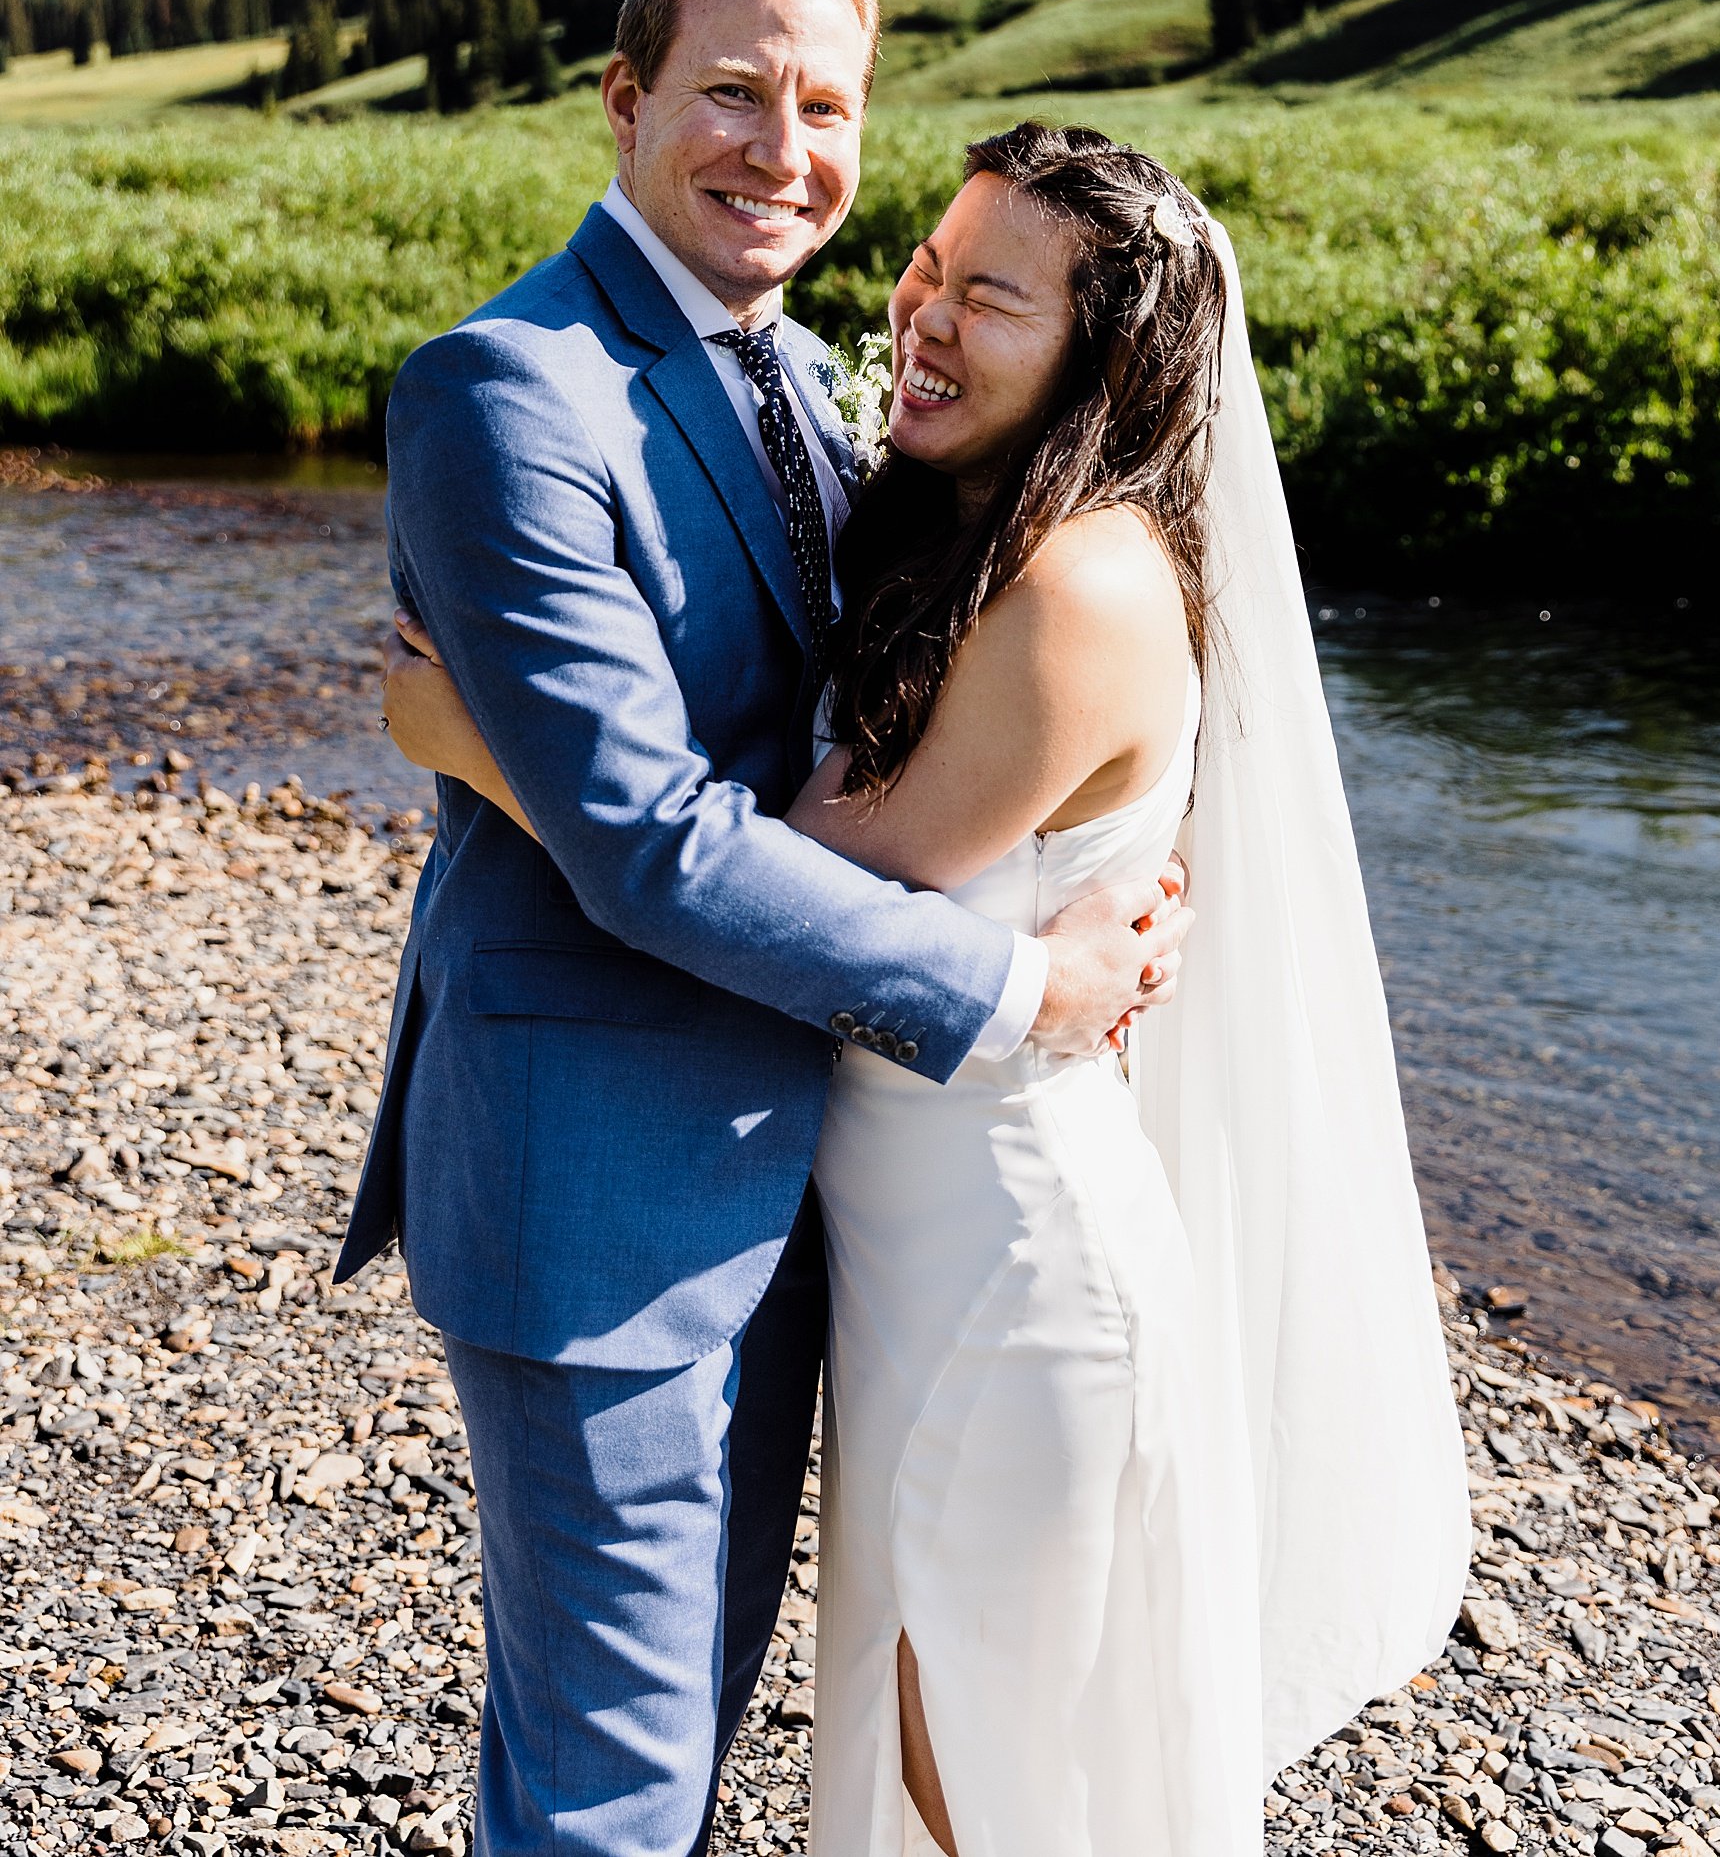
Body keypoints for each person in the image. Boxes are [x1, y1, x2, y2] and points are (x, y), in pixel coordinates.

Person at [388, 117, 1472, 1855]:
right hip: (907, 1255)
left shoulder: (1077, 585)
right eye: (929, 267)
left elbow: (799, 881)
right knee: (926, 1756)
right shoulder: (961, 524)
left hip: (1012, 1272)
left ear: (1103, 355)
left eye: (996, 299)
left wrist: (497, 754)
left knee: (983, 1784)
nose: (927, 318)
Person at [340, 0, 1190, 1857]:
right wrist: (1018, 993)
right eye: (732, 90)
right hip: (606, 1196)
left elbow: (925, 707)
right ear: (626, 102)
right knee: (616, 1797)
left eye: (826, 106)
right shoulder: (507, 394)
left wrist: (1134, 827)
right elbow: (648, 844)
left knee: (664, 1756)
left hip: (813, 1189)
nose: (780, 146)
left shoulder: (808, 381)